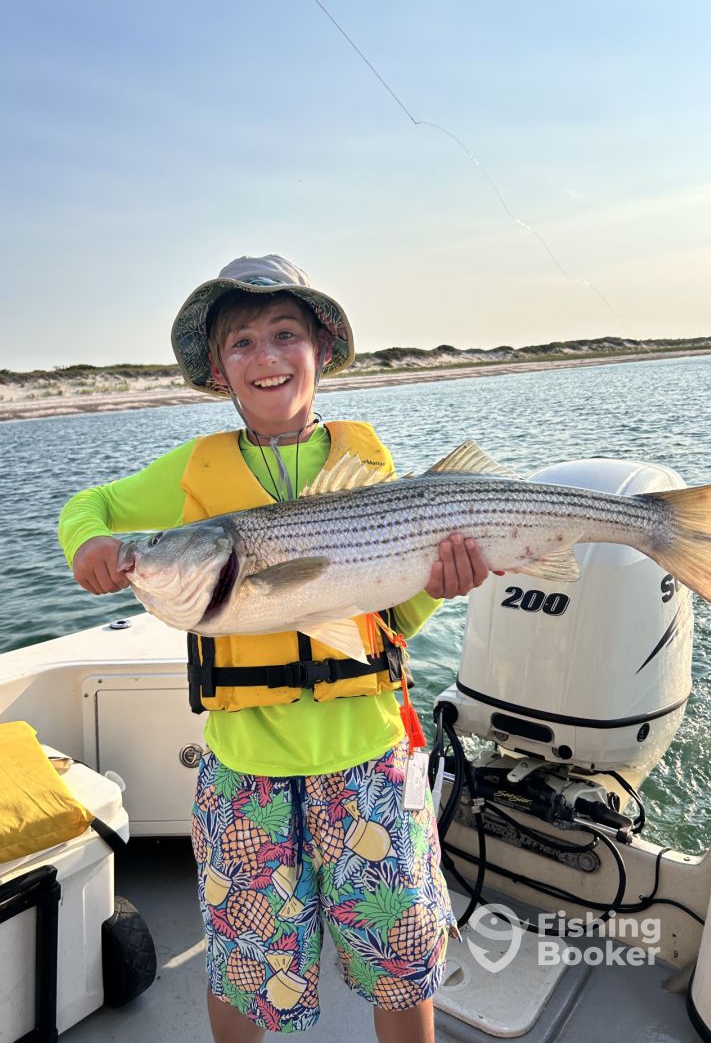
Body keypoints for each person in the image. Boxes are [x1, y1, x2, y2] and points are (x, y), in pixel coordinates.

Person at [58, 255, 493, 1043]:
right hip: (245, 773)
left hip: (370, 763)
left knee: (402, 965)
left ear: (320, 349)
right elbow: (89, 505)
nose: (266, 357)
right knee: (245, 969)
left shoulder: (365, 465)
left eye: (285, 334)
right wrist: (91, 543)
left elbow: (390, 618)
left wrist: (440, 586)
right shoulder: (192, 471)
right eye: (242, 342)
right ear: (219, 368)